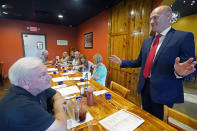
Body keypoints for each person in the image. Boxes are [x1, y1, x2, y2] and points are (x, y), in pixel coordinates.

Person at [109, 5, 195, 120]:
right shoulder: (146, 42)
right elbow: (139, 62)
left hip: (164, 92)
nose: (151, 22)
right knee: (146, 118)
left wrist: (180, 73)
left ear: (168, 16)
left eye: (155, 18)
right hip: (145, 87)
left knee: (159, 123)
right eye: (150, 19)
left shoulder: (183, 37)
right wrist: (122, 62)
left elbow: (190, 67)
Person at [0, 57, 67, 131]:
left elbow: (56, 93)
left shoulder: (35, 87)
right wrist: (59, 107)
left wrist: (58, 100)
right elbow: (61, 128)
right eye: (43, 75)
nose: (50, 77)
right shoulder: (22, 106)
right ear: (25, 82)